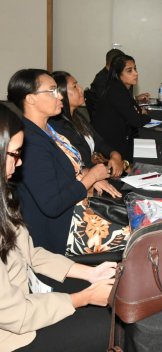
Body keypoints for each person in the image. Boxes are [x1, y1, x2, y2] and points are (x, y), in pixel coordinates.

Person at [0, 103, 116, 352]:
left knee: (115, 301)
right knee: (111, 326)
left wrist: (89, 273)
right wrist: (83, 299)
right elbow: (15, 315)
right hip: (11, 334)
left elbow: (31, 254)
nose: (19, 164)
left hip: (25, 296)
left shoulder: (4, 197)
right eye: (15, 155)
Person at [7, 69, 122, 255]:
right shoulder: (30, 142)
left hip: (77, 210)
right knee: (139, 238)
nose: (59, 95)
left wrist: (86, 175)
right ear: (30, 99)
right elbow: (53, 205)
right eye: (51, 91)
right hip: (62, 230)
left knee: (141, 216)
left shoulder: (49, 129)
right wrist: (91, 177)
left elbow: (63, 173)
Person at [49, 71, 127, 176]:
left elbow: (99, 142)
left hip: (96, 173)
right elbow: (78, 167)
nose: (81, 89)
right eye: (75, 86)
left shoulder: (78, 116)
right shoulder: (57, 126)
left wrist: (115, 155)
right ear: (61, 93)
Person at [92, 54, 152, 161]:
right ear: (118, 74)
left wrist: (139, 112)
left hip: (118, 137)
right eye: (129, 70)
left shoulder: (120, 87)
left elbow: (134, 109)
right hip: (112, 146)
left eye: (135, 69)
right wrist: (146, 116)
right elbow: (137, 121)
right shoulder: (116, 91)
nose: (136, 73)